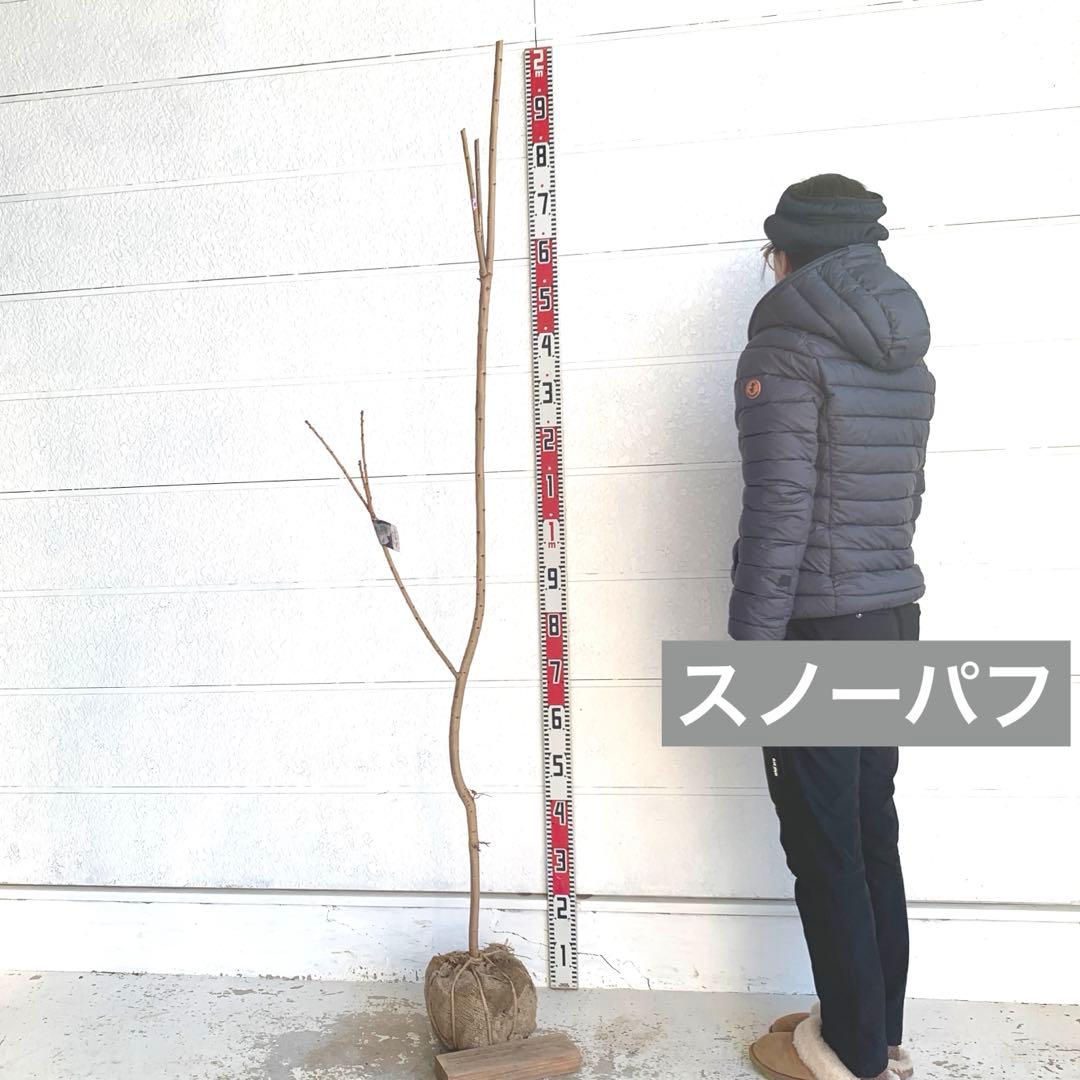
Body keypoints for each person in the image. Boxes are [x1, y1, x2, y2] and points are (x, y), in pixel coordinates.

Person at [728, 174, 935, 1080]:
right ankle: (874, 1027)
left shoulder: (783, 350)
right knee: (870, 824)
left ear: (788, 253)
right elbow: (906, 497)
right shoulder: (906, 355)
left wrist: (750, 655)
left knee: (824, 842)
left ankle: (850, 1054)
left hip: (814, 626)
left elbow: (777, 511)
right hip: (891, 613)